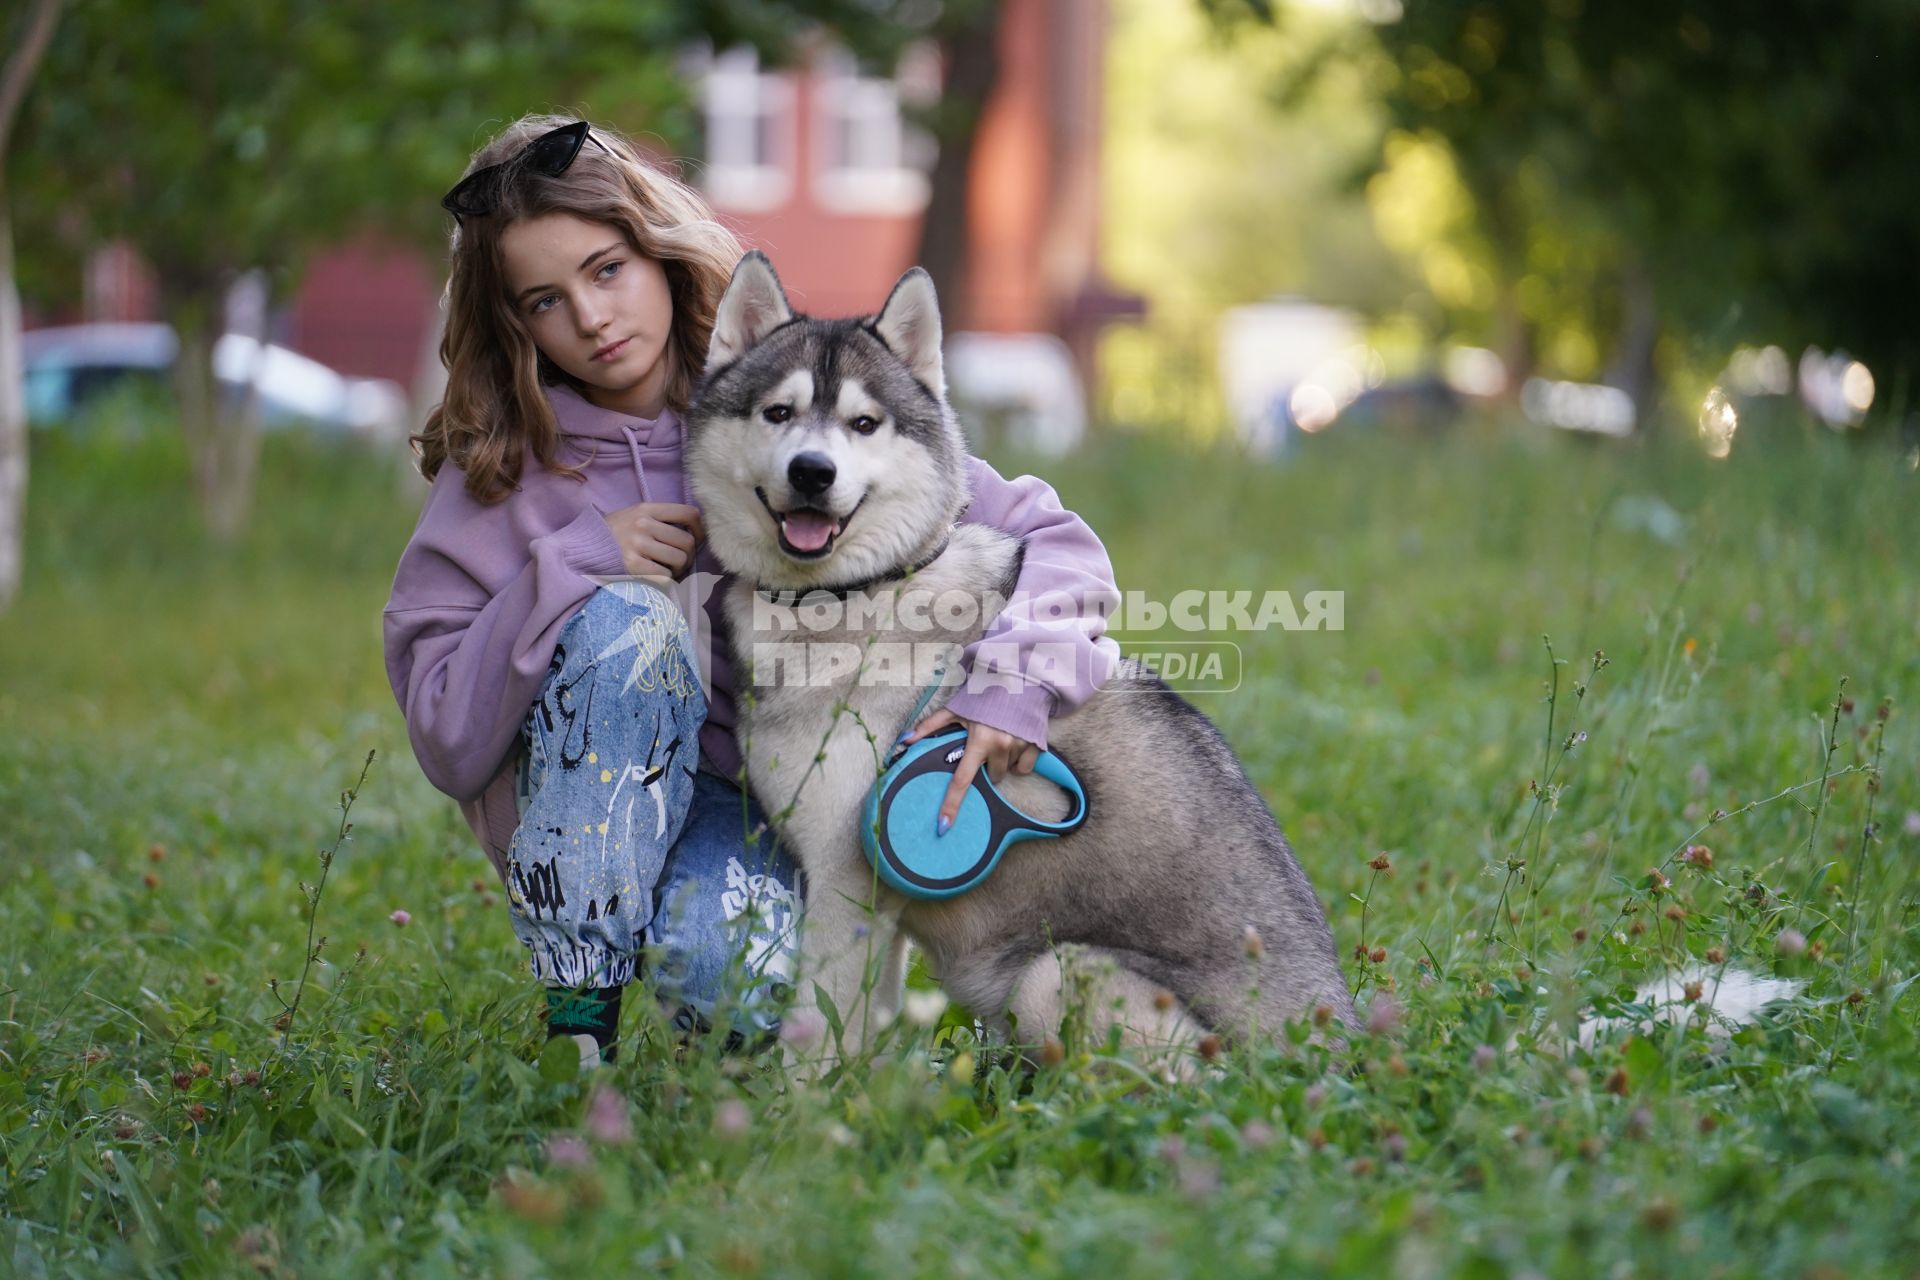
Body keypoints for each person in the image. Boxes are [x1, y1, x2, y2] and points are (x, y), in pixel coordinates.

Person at [382, 113, 1121, 1066]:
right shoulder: (501, 476)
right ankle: (579, 1025)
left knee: (747, 989)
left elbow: (1052, 539)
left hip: (763, 808)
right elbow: (445, 734)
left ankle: (812, 1004)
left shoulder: (784, 406)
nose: (592, 318)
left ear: (660, 255)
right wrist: (571, 565)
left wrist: (1014, 687)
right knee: (628, 625)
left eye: (607, 270)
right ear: (512, 323)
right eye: (544, 300)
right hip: (594, 809)